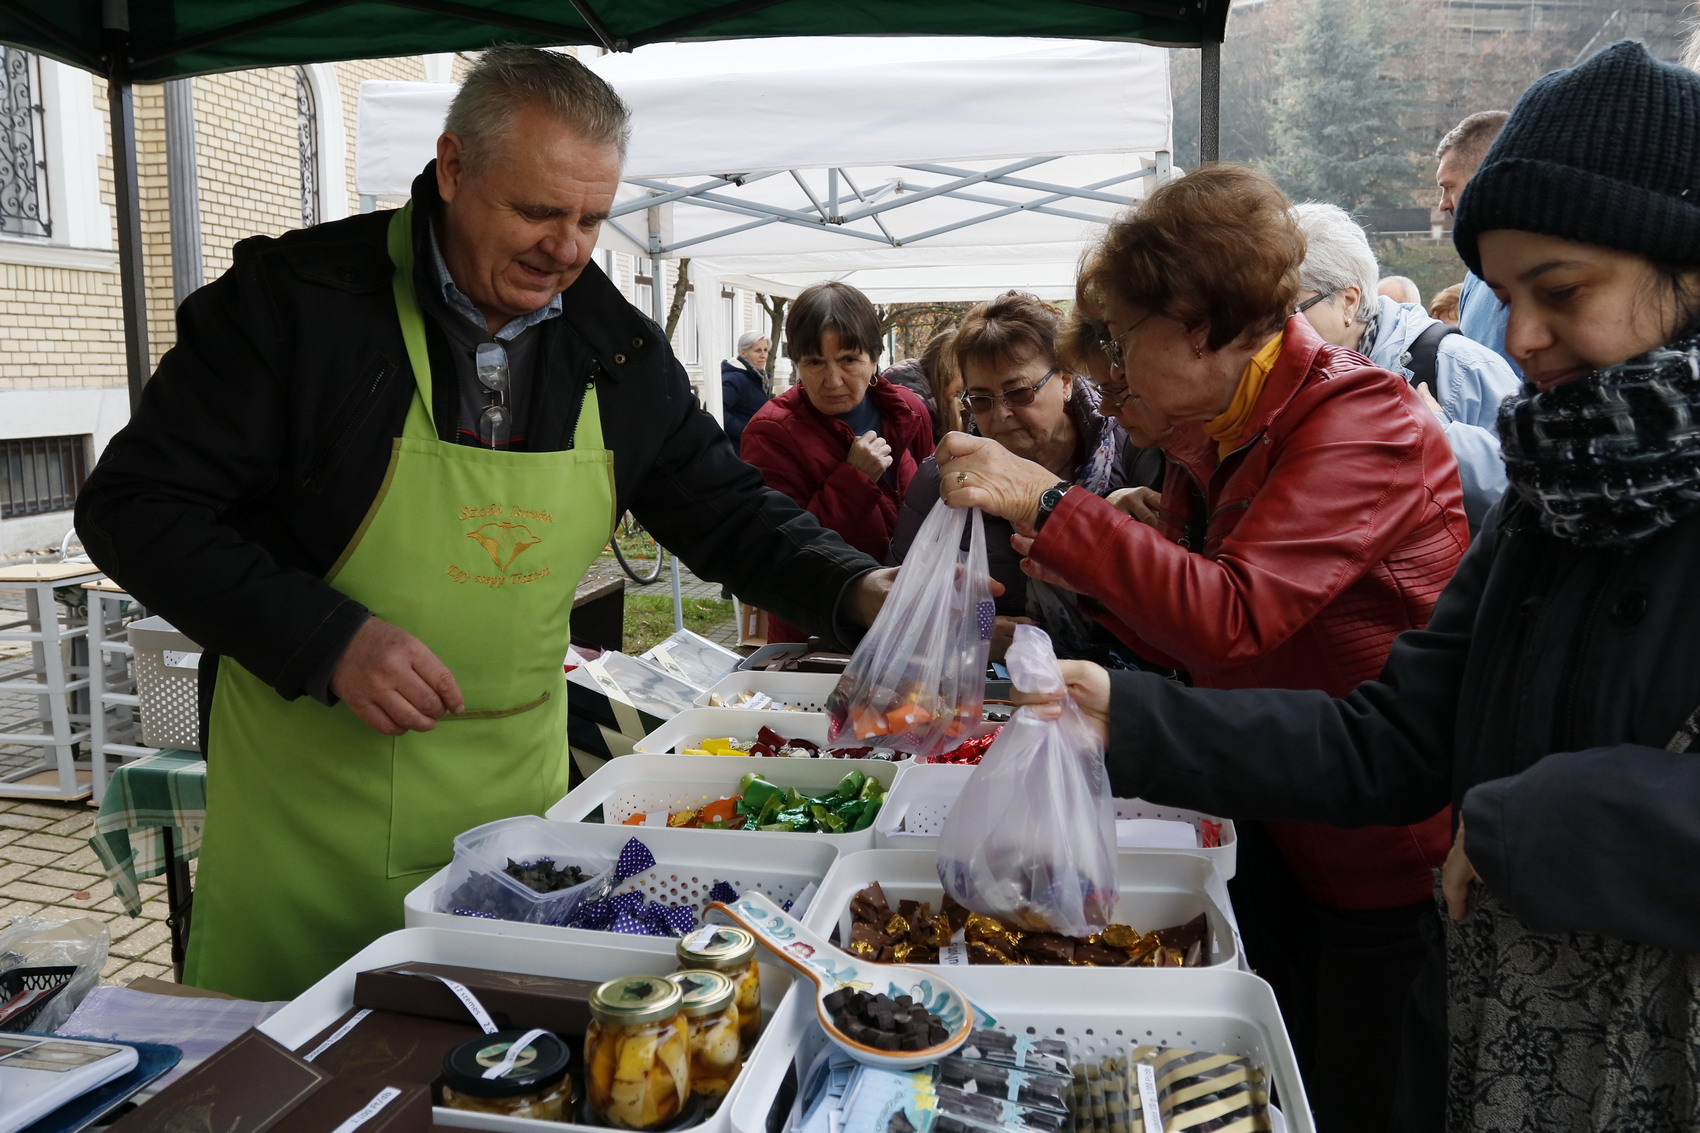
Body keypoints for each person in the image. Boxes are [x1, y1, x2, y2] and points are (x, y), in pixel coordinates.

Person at [73, 47, 892, 1001]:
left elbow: (724, 506)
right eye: (539, 212)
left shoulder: (614, 345)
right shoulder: (296, 307)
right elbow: (133, 507)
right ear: (453, 168)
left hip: (520, 822)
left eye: (591, 218)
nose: (567, 249)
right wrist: (324, 637)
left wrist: (853, 585)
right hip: (308, 813)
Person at [1005, 41, 1700, 1132]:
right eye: (1503, 295)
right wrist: (1129, 715)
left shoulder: (1363, 417)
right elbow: (1393, 737)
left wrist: (1538, 817)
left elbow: (1238, 617)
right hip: (1495, 1004)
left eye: (1561, 291)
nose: (1521, 337)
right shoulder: (1549, 499)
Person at [935, 165, 1466, 1132]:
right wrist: (1103, 563)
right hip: (1282, 811)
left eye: (1121, 337)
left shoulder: (1362, 417)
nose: (1111, 370)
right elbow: (1199, 642)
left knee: (1363, 1089)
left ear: (1197, 323)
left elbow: (1235, 616)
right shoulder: (1220, 435)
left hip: (1384, 845)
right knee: (1285, 1070)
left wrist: (1052, 503)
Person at [890, 292, 1131, 661]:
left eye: (1019, 393)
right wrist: (976, 631)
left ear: (1066, 381)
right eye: (981, 400)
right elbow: (896, 602)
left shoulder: (1133, 454)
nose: (1001, 414)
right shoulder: (944, 480)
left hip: (1123, 685)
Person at [1293, 201, 1519, 530]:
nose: (1270, 329)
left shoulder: (1459, 365)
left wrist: (1439, 436)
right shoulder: (1300, 373)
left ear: (1348, 302)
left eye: (1289, 310)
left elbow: (1530, 494)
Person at [740, 281, 930, 643]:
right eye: (815, 362)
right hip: (823, 630)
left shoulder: (909, 410)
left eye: (848, 359)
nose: (832, 380)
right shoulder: (771, 433)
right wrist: (854, 479)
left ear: (875, 358)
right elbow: (781, 553)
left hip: (911, 616)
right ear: (797, 363)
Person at [1436, 110, 1517, 375]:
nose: (1443, 204)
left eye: (1449, 187)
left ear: (1485, 178)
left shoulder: (1546, 269)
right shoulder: (1475, 276)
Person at [720, 329, 770, 454]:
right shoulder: (734, 379)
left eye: (765, 350)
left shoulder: (757, 377)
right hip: (738, 451)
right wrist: (745, 432)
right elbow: (716, 409)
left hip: (752, 448)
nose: (763, 355)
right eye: (757, 350)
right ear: (742, 353)